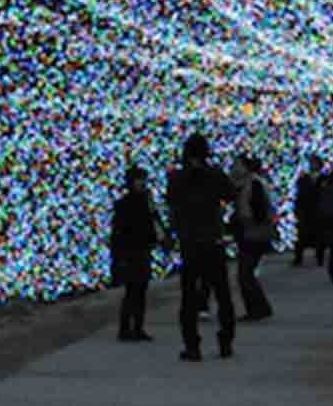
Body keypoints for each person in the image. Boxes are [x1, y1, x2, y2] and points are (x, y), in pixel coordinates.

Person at [166, 133, 236, 360]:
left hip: (190, 241)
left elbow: (172, 205)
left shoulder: (177, 177)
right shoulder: (215, 175)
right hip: (213, 239)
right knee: (222, 293)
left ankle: (192, 345)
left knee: (189, 296)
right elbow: (231, 194)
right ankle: (225, 341)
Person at [110, 166, 165, 341]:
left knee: (140, 289)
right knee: (133, 290)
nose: (142, 183)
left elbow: (154, 223)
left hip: (143, 249)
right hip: (130, 250)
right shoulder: (125, 204)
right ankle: (126, 328)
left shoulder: (146, 202)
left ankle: (137, 327)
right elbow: (118, 232)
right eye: (139, 180)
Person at [233, 155, 276, 321]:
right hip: (251, 233)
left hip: (253, 234)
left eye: (237, 165)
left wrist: (244, 220)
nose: (234, 168)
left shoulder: (252, 184)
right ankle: (259, 308)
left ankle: (258, 309)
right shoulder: (251, 183)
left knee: (245, 274)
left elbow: (259, 211)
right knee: (246, 273)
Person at [290, 155, 323, 266]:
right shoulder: (303, 179)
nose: (312, 166)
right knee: (302, 236)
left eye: (315, 164)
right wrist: (297, 210)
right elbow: (299, 195)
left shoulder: (324, 179)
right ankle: (298, 258)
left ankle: (320, 258)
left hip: (319, 212)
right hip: (305, 212)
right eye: (311, 164)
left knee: (319, 236)